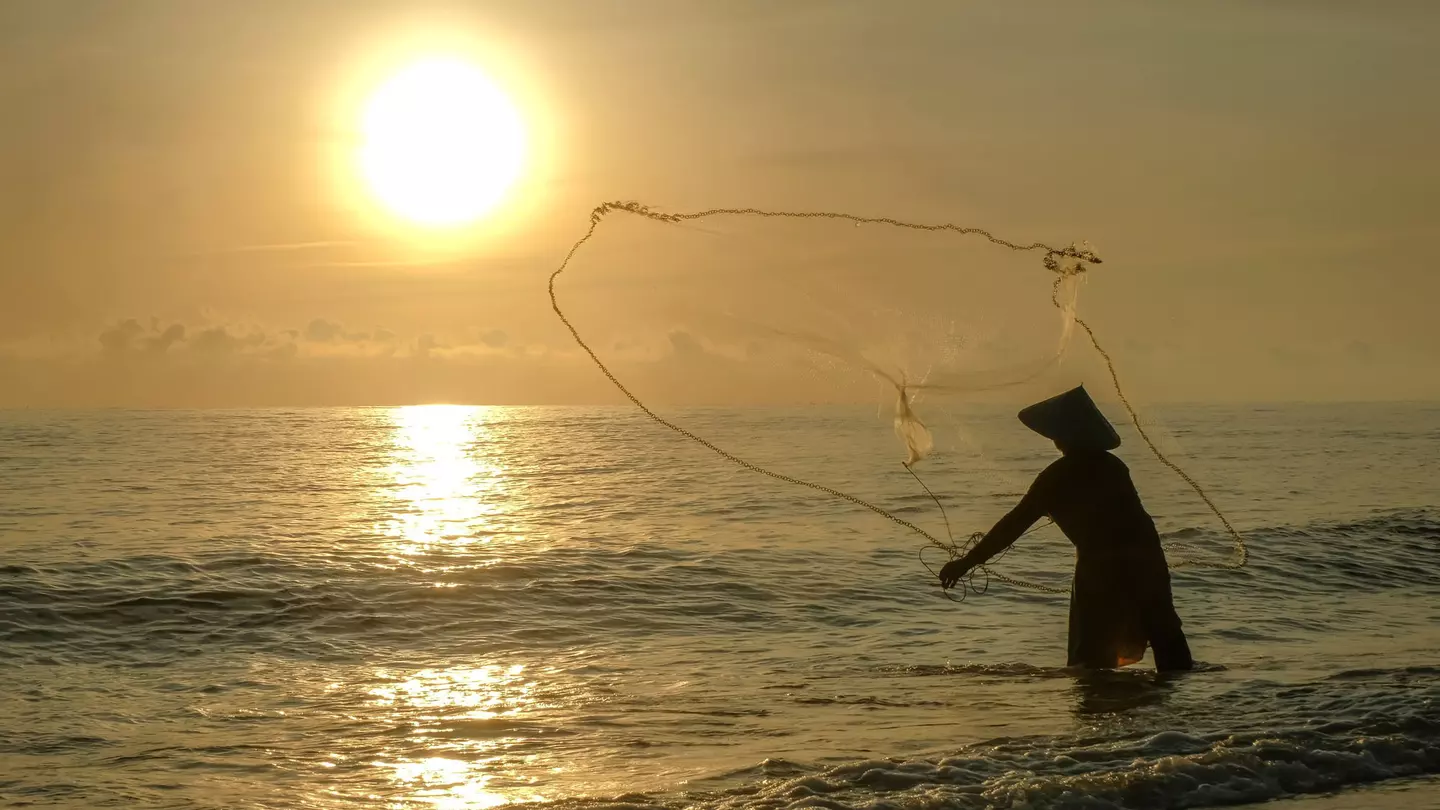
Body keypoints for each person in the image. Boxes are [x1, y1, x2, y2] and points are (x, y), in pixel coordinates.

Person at [939, 385, 1194, 671]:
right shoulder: (1113, 466)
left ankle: (1099, 707)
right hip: (1146, 558)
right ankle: (1180, 701)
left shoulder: (1057, 476)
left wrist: (967, 562)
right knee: (1164, 632)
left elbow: (1014, 524)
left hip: (1101, 569)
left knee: (1092, 658)